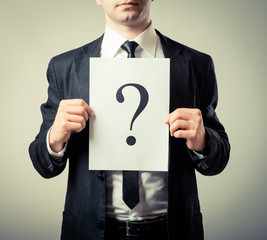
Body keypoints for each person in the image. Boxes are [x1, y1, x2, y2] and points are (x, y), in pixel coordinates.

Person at [29, 0, 230, 239]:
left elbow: (218, 160)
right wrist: (54, 138)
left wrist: (203, 141)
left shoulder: (196, 64)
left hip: (172, 230)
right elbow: (43, 165)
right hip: (90, 231)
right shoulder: (65, 67)